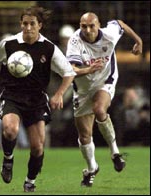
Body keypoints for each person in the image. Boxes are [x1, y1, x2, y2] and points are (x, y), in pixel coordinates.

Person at [0, 6, 75, 192]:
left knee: (37, 148)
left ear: (40, 25)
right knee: (10, 129)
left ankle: (30, 181)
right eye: (25, 23)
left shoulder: (49, 48)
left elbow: (68, 73)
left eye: (32, 24)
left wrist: (59, 93)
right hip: (12, 96)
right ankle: (7, 159)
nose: (28, 27)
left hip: (37, 100)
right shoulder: (10, 44)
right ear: (21, 24)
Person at [66, 12, 143, 187]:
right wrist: (89, 70)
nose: (87, 30)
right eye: (83, 26)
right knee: (85, 135)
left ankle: (115, 153)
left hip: (105, 81)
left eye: (91, 25)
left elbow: (121, 23)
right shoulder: (75, 41)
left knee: (99, 109)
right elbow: (72, 69)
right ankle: (92, 168)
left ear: (98, 25)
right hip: (83, 89)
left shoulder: (110, 34)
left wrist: (138, 41)